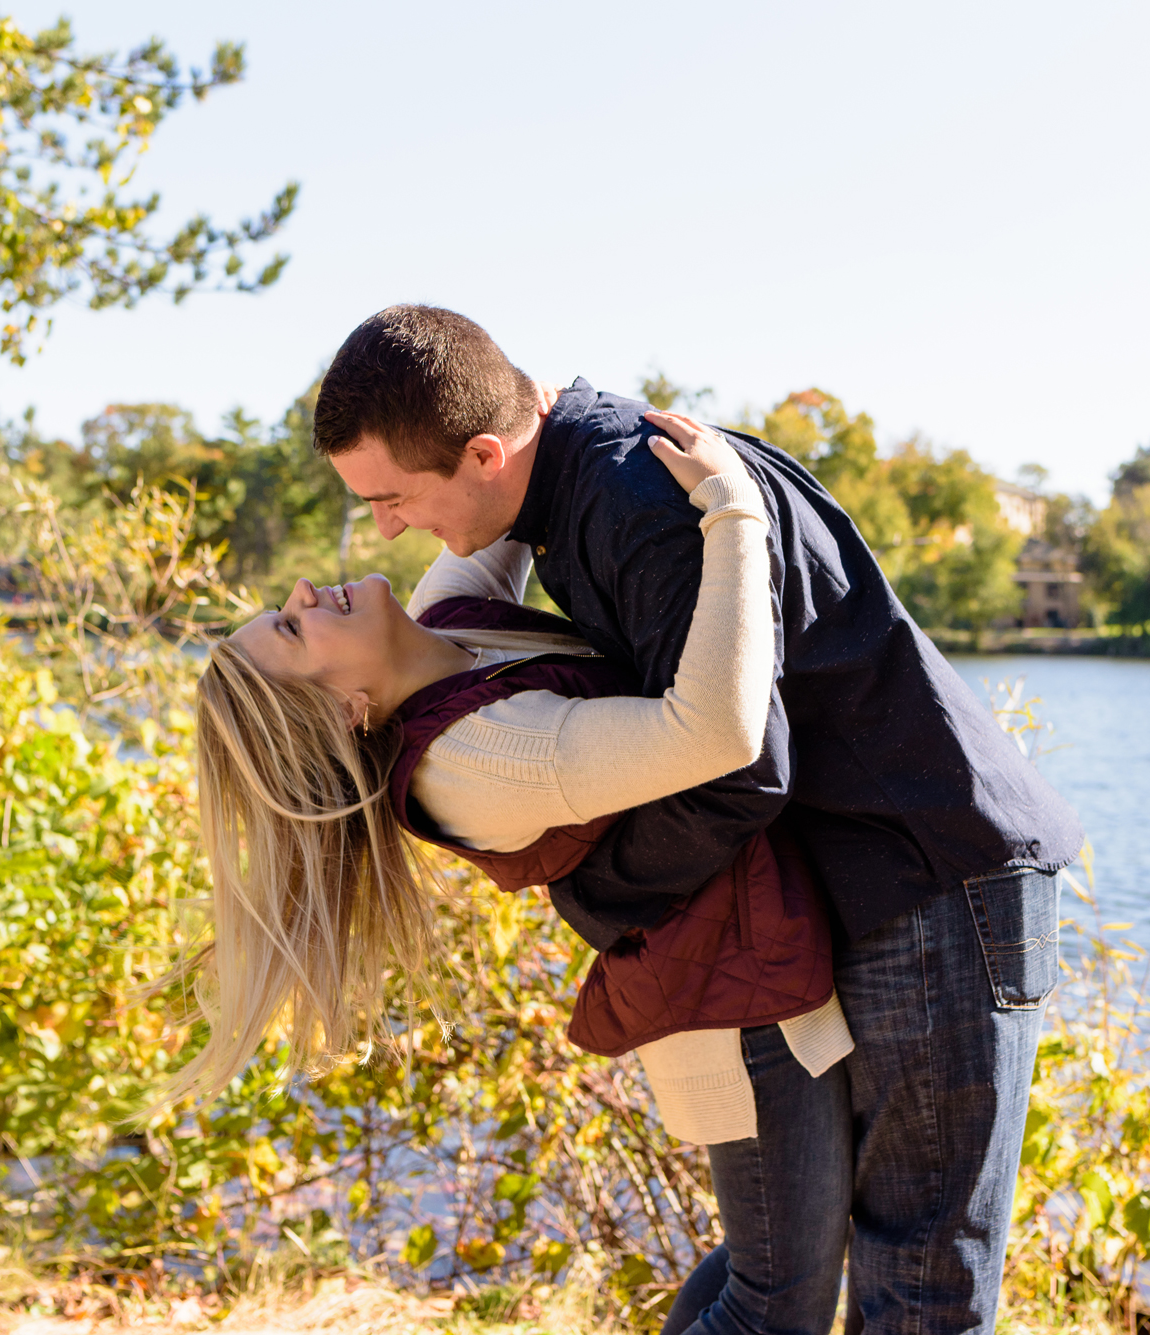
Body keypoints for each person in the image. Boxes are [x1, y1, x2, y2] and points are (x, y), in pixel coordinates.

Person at [312, 305, 1087, 1335]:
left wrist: (599, 899)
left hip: (929, 875)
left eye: (391, 500)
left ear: (485, 453)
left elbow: (741, 766)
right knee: (830, 1262)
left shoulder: (634, 498)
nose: (385, 530)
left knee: (919, 1268)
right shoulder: (564, 492)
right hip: (869, 877)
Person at [173, 412, 855, 1332]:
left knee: (764, 1273)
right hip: (731, 1004)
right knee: (776, 1298)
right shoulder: (476, 759)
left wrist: (521, 406)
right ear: (346, 711)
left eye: (282, 610)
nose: (301, 592)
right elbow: (716, 734)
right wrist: (734, 512)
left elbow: (488, 483)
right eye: (293, 630)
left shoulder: (444, 631)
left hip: (743, 966)